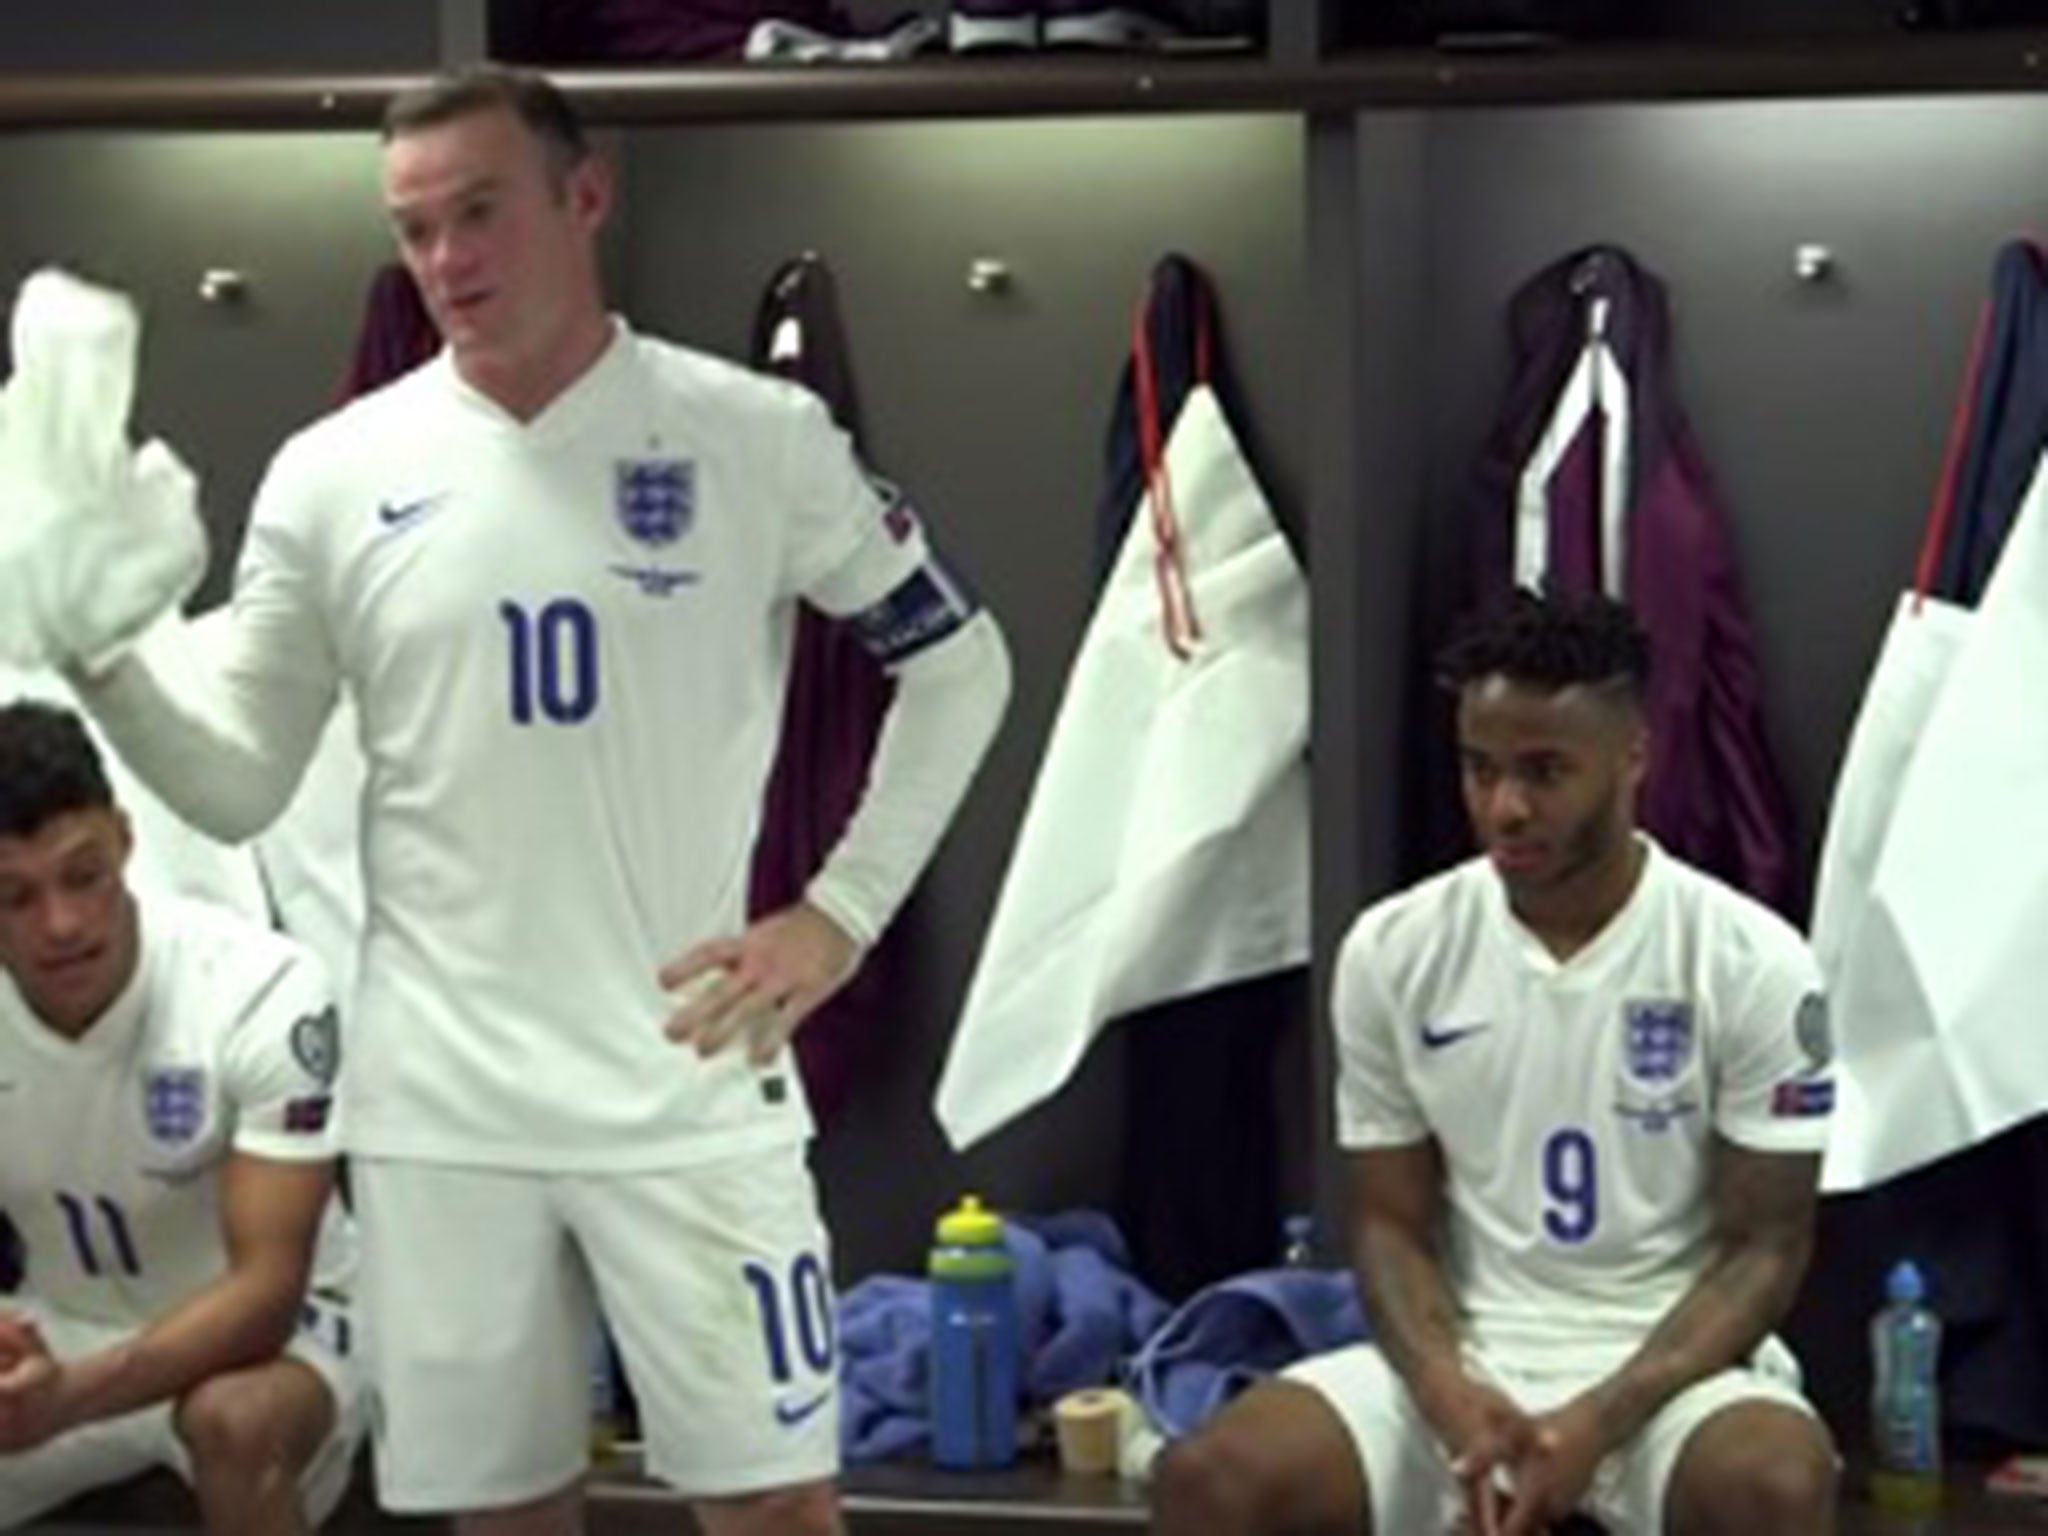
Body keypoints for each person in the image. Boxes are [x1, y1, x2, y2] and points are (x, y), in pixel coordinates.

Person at [39, 63, 1010, 1536]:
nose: (446, 259)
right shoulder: (330, 477)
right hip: (442, 1107)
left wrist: (840, 914)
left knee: (776, 1511)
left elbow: (961, 664)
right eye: (414, 228)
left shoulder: (755, 436)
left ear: (586, 195)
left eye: (480, 212)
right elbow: (237, 788)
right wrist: (106, 664)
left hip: (685, 1085)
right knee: (504, 1520)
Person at [1151, 590, 1837, 1536]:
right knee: (1211, 1479)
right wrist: (1450, 1397)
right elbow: (1388, 1224)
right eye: (1481, 769)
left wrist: (1599, 1419)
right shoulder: (1394, 949)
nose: (1505, 808)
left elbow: (1769, 1247)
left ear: (1634, 756)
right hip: (1469, 1365)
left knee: (1776, 1487)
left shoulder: (1752, 961)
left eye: (1546, 772)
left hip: (1667, 1378)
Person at [0, 700, 359, 1536]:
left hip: (281, 1340)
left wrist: (69, 1400)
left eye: (83, 875)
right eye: (14, 896)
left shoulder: (258, 988)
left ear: (125, 842)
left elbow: (268, 1291)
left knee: (233, 1422)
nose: (62, 924)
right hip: (67, 1325)